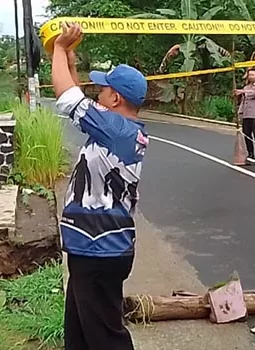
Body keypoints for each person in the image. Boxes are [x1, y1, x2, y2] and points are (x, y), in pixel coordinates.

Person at [52, 23, 149, 349]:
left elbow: (68, 98)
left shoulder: (116, 130)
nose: (98, 93)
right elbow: (78, 96)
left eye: (104, 90)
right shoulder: (122, 129)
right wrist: (70, 61)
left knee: (106, 337)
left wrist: (58, 49)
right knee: (80, 330)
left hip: (98, 249)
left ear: (116, 98)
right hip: (94, 247)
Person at [235, 68, 255, 165]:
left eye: (252, 75)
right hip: (246, 115)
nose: (250, 77)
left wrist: (242, 92)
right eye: (249, 75)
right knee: (247, 135)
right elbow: (243, 102)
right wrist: (240, 113)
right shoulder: (246, 87)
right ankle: (250, 153)